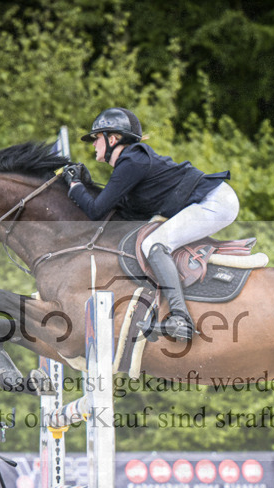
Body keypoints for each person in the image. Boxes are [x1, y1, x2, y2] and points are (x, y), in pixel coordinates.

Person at [62, 107, 239, 341]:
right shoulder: (130, 164)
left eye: (97, 138)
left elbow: (96, 210)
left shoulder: (132, 159)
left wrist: (75, 187)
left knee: (154, 244)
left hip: (215, 201)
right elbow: (119, 210)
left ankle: (180, 317)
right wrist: (86, 185)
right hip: (212, 200)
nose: (94, 144)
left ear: (112, 139)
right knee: (150, 241)